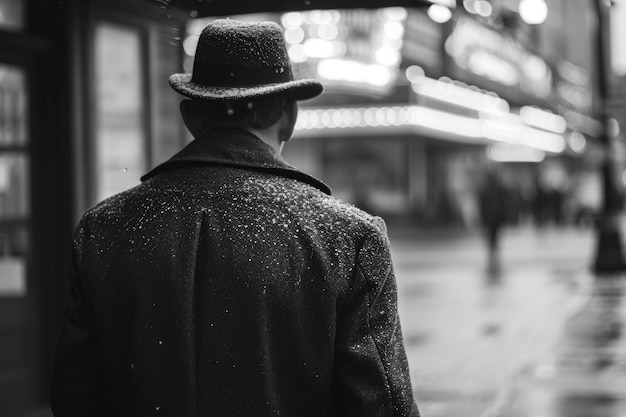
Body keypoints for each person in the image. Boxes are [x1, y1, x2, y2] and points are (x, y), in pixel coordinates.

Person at [51, 19, 419, 417]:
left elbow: (74, 398)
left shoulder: (103, 229)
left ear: (190, 118)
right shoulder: (348, 237)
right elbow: (382, 406)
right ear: (290, 118)